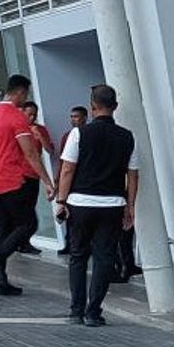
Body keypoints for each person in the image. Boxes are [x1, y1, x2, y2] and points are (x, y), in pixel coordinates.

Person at [56, 84, 139, 327]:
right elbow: (132, 175)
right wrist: (130, 206)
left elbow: (68, 168)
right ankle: (94, 312)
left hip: (80, 202)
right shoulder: (127, 137)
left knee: (78, 256)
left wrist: (62, 200)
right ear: (115, 107)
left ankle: (76, 310)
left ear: (92, 107)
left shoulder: (79, 134)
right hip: (112, 204)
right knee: (104, 257)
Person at [0, 74, 55, 296]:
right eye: (26, 94)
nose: (26, 99)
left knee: (1, 230)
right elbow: (30, 153)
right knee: (28, 224)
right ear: (20, 92)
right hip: (10, 178)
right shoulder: (16, 117)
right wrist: (47, 181)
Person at [17, 101, 55, 255]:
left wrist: (40, 136)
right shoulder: (18, 129)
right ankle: (21, 241)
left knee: (29, 207)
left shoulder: (40, 130)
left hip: (34, 174)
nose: (31, 117)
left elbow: (49, 150)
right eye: (28, 114)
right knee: (20, 209)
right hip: (19, 174)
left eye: (34, 114)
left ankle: (25, 240)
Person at [57, 106, 89, 257]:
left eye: (76, 116)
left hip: (82, 181)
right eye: (71, 117)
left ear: (84, 118)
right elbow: (64, 162)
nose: (73, 120)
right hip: (71, 181)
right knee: (69, 215)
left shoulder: (87, 134)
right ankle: (69, 243)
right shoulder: (67, 136)